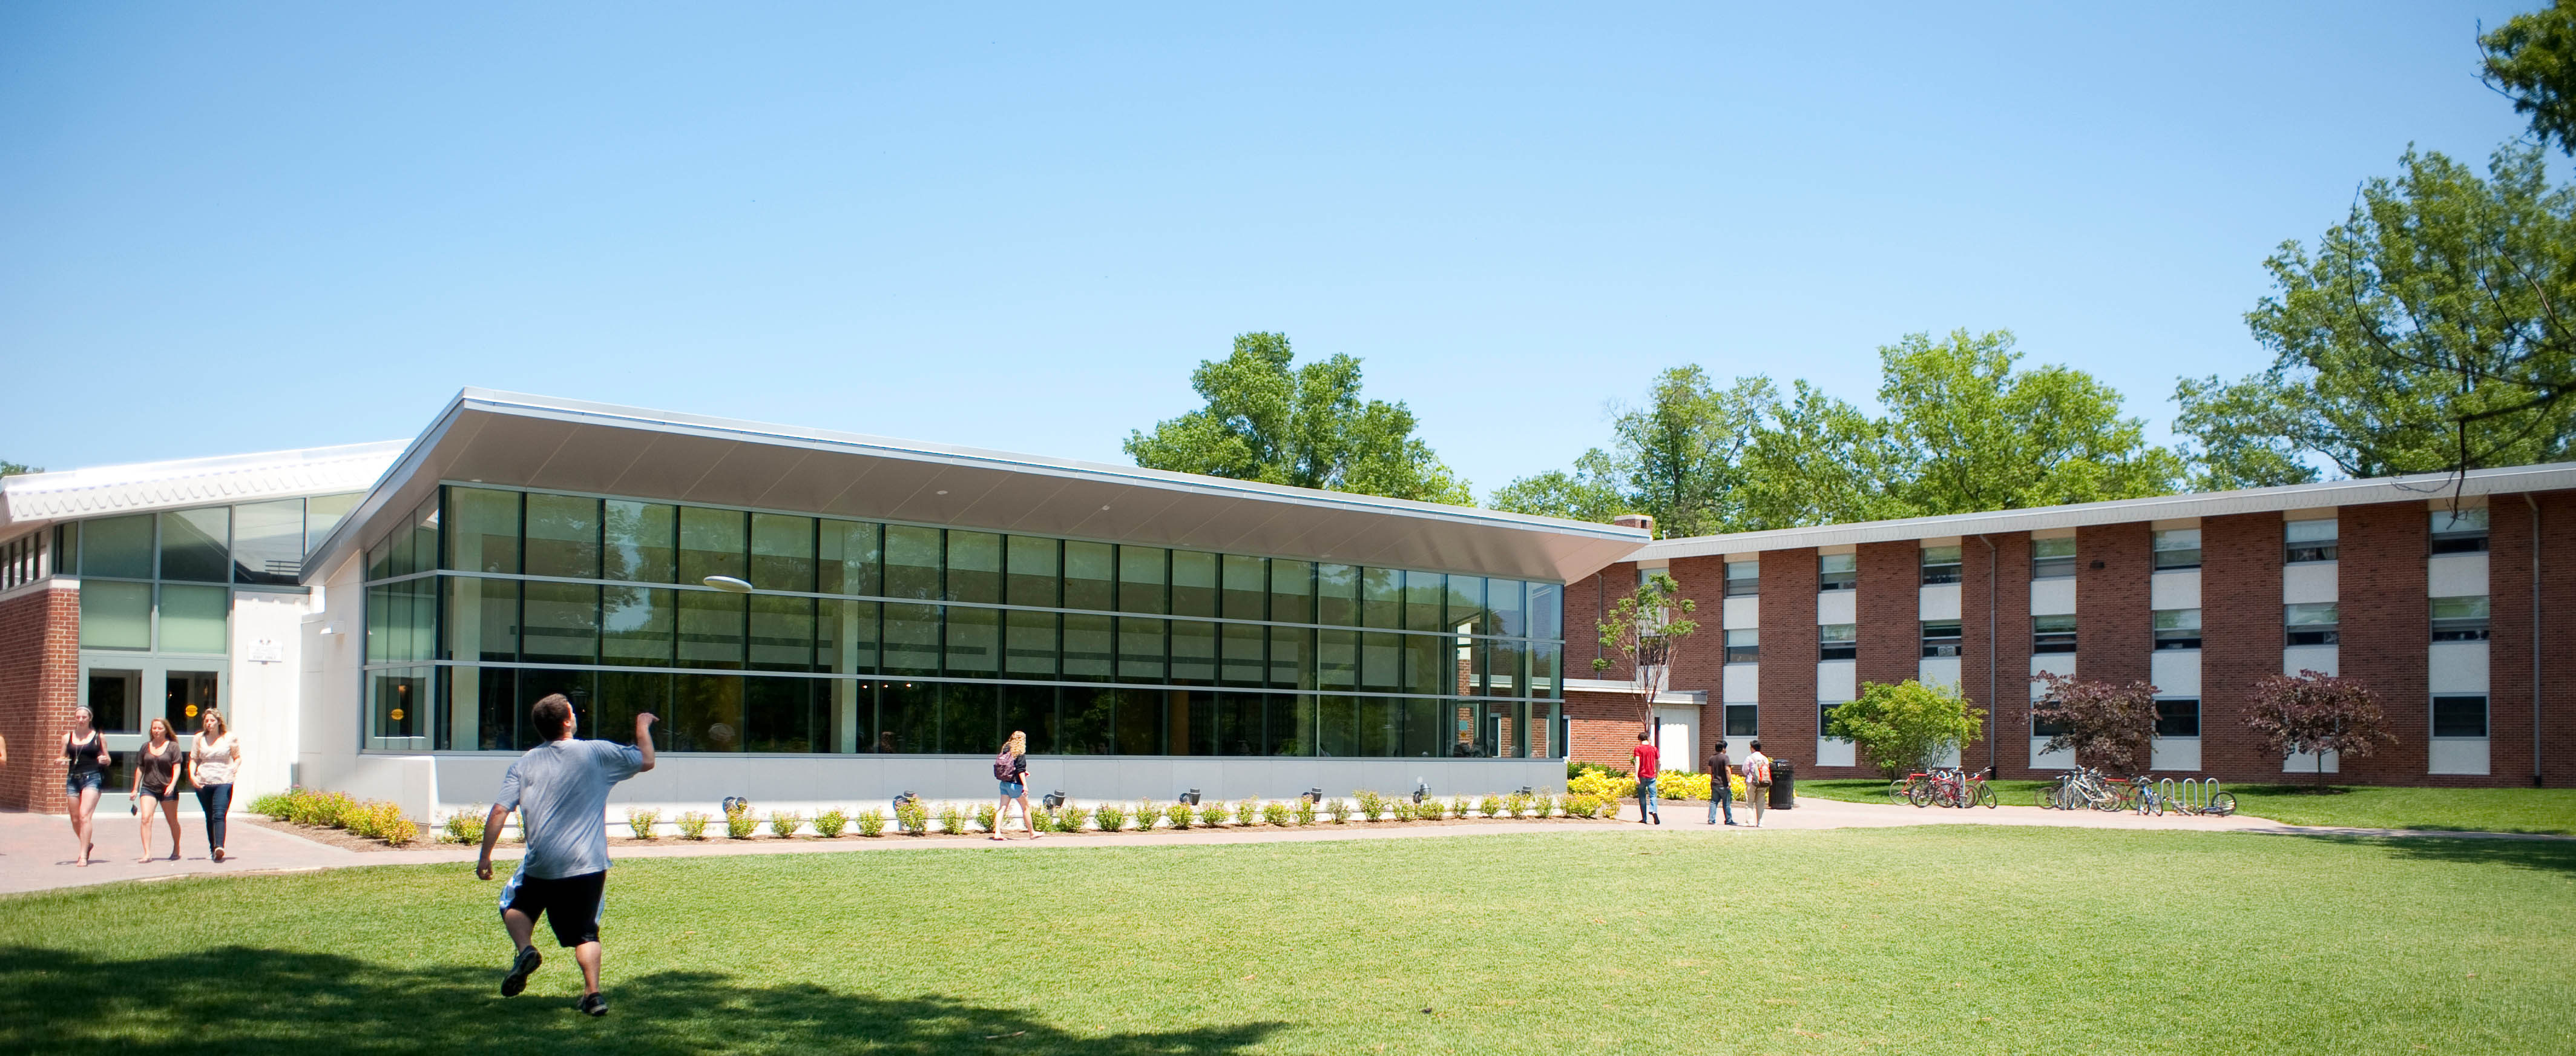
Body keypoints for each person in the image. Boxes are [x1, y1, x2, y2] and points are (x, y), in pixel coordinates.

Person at [475, 695, 657, 1017]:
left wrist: (485, 856)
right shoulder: (595, 753)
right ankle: (593, 995)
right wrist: (642, 725)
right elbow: (646, 760)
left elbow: (500, 809)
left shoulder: (524, 763)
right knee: (585, 932)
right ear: (566, 722)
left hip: (542, 862)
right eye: (573, 712)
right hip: (588, 863)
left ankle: (526, 950)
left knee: (514, 904)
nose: (575, 716)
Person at [189, 709, 242, 863]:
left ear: (219, 722)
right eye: (206, 721)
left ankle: (220, 846)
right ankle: (213, 848)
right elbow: (194, 759)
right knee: (210, 815)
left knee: (219, 814)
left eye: (212, 720)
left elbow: (237, 757)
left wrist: (235, 766)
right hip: (204, 780)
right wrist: (192, 776)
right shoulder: (199, 738)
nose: (209, 723)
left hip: (224, 780)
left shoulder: (229, 738)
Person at [62, 707, 111, 866]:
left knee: (85, 816)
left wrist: (104, 759)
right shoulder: (67, 737)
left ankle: (83, 855)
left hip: (92, 777)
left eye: (84, 717)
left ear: (90, 718)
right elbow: (63, 755)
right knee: (75, 818)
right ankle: (87, 844)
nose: (81, 720)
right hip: (73, 778)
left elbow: (108, 758)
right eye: (78, 717)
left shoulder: (98, 737)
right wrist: (60, 760)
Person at [132, 718, 186, 862]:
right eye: (154, 728)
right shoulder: (145, 747)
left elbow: (177, 768)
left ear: (166, 730)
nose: (156, 731)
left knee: (172, 820)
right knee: (145, 818)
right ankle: (147, 853)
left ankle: (176, 847)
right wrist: (135, 788)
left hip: (168, 788)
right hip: (149, 788)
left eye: (159, 728)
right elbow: (140, 768)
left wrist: (172, 785)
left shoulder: (173, 747)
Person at [991, 730, 1039, 841]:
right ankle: (1032, 833)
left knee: (1002, 808)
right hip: (1015, 785)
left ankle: (997, 833)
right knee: (1026, 808)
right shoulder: (1020, 753)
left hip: (1004, 783)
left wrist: (1022, 773)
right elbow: (1021, 770)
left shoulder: (1005, 750)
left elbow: (1012, 768)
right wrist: (1025, 785)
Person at [1629, 730, 1661, 825]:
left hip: (1642, 775)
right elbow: (1659, 762)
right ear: (1648, 738)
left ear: (1639, 739)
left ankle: (1644, 818)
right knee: (1653, 796)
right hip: (1652, 776)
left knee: (1642, 796)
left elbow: (1637, 762)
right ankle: (1653, 810)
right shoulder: (1654, 749)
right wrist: (1657, 772)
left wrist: (1636, 775)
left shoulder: (1638, 748)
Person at [1741, 739, 1773, 828]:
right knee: (1760, 803)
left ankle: (1750, 822)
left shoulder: (1750, 758)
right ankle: (1760, 822)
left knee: (1750, 802)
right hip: (1763, 782)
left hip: (1752, 782)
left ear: (1752, 748)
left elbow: (1745, 770)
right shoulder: (1765, 759)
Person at [1706, 739, 1737, 827]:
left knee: (1713, 802)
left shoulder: (1711, 758)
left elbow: (1709, 771)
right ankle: (1728, 820)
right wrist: (1729, 782)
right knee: (1726, 803)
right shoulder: (1725, 757)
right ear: (1723, 748)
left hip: (1714, 783)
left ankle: (1711, 819)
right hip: (1723, 784)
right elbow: (1727, 770)